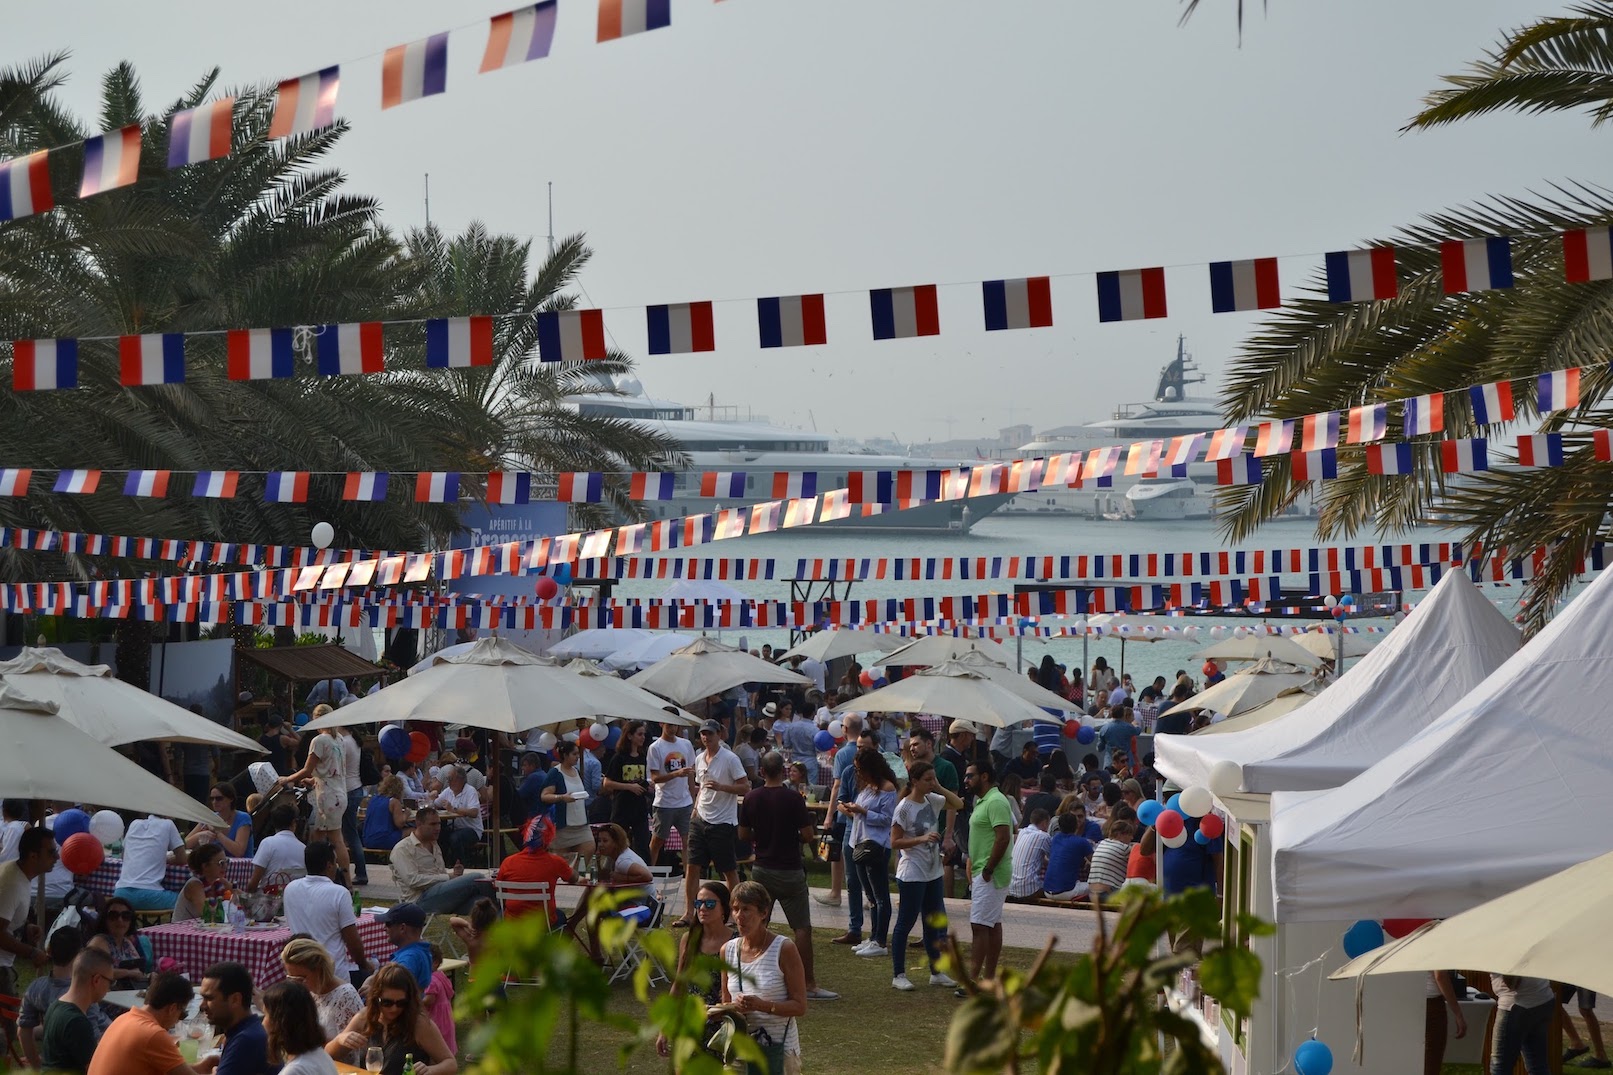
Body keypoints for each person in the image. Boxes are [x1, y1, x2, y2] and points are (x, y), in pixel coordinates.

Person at [737, 751, 838, 1001]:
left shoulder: (751, 797)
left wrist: (761, 836)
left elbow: (742, 835)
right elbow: (806, 835)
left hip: (762, 868)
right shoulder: (793, 798)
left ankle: (753, 979)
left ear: (761, 772)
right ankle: (808, 983)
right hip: (790, 870)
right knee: (801, 928)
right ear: (783, 771)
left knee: (757, 926)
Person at [889, 760, 963, 992]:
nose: (931, 783)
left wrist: (938, 787)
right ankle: (898, 974)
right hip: (912, 873)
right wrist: (921, 839)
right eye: (927, 779)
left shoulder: (933, 799)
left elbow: (958, 803)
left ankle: (936, 972)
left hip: (933, 872)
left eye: (933, 778)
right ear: (914, 781)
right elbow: (894, 841)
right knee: (905, 923)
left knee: (933, 923)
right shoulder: (904, 808)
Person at [721, 881, 807, 1075]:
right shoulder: (727, 950)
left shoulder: (784, 949)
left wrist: (761, 1005)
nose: (739, 916)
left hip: (777, 1052)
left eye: (746, 909)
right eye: (735, 909)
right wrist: (720, 1010)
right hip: (739, 1052)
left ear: (763, 913)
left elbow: (800, 1006)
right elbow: (726, 1001)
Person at [675, 720, 750, 928]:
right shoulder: (699, 758)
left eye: (710, 733)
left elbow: (745, 787)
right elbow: (702, 788)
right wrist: (695, 809)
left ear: (720, 734)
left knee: (728, 869)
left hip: (722, 821)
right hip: (700, 819)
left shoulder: (730, 758)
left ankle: (735, 913)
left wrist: (722, 787)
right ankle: (689, 912)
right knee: (692, 867)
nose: (706, 738)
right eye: (703, 734)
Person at [654, 880, 734, 1061]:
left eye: (710, 904)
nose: (703, 908)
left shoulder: (736, 942)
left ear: (724, 909)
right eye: (698, 903)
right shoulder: (689, 939)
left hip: (722, 1025)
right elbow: (679, 984)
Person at [328, 963, 456, 1075]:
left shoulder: (418, 1024)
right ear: (376, 998)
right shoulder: (365, 1017)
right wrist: (340, 1039)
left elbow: (450, 1064)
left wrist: (430, 1070)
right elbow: (327, 1056)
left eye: (401, 1003)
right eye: (387, 1002)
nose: (394, 1008)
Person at [272, 717, 351, 885]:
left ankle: (330, 878)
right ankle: (333, 877)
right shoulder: (339, 739)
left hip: (328, 796)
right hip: (339, 793)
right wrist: (315, 781)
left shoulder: (319, 740)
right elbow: (332, 771)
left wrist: (287, 779)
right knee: (321, 836)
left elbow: (307, 769)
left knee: (332, 839)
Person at [284, 841, 373, 988]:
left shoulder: (290, 889)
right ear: (329, 865)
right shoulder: (339, 893)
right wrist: (364, 964)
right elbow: (352, 940)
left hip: (300, 972)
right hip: (332, 973)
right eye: (336, 862)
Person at [840, 746, 899, 959]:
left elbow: (887, 819)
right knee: (871, 896)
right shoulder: (868, 787)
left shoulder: (888, 788)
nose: (858, 774)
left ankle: (881, 940)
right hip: (860, 842)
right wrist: (850, 810)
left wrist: (862, 811)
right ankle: (873, 936)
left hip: (876, 845)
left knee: (880, 895)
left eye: (860, 769)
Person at [20, 927, 105, 1066]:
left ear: (49, 951)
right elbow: (93, 1047)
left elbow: (23, 1031)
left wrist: (36, 1067)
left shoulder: (35, 988)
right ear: (80, 954)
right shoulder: (82, 994)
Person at [388, 807, 495, 915]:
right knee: (476, 878)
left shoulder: (434, 844)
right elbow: (413, 881)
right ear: (419, 824)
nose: (438, 828)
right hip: (419, 901)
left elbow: (439, 876)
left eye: (439, 824)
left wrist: (454, 876)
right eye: (433, 824)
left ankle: (505, 919)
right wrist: (449, 877)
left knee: (485, 903)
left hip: (440, 895)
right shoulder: (402, 849)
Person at [965, 759, 1014, 992]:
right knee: (991, 924)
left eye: (970, 775)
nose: (966, 780)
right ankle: (988, 978)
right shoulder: (982, 800)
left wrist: (988, 869)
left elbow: (1003, 836)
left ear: (984, 776)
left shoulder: (996, 801)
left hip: (991, 873)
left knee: (979, 925)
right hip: (983, 871)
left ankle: (973, 979)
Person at [88, 971, 197, 1075]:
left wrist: (201, 1066)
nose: (178, 1021)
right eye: (182, 1014)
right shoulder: (153, 1034)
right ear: (172, 1009)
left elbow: (175, 1069)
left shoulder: (123, 1019)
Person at [814, 714, 864, 922]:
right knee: (863, 854)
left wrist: (829, 814)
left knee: (838, 851)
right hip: (865, 809)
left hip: (845, 811)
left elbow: (836, 786)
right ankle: (867, 896)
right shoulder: (871, 750)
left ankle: (836, 892)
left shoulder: (843, 753)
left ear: (844, 729)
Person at [0, 827, 54, 997]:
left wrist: (26, 926)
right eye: (51, 852)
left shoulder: (18, 873)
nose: (57, 857)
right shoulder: (12, 884)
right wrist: (32, 953)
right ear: (33, 856)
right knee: (9, 1021)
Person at [42, 947, 114, 1074]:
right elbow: (95, 1070)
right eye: (110, 982)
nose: (109, 989)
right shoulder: (77, 1022)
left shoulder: (55, 1007)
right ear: (96, 980)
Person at [193, 961, 272, 1075]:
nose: (202, 1006)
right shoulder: (245, 1031)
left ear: (235, 999)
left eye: (209, 998)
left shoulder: (246, 1040)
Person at [280, 938, 364, 1043]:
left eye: (301, 978)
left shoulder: (345, 996)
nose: (297, 984)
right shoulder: (305, 992)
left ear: (319, 970)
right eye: (292, 978)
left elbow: (353, 1050)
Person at [493, 816, 573, 927]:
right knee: (561, 917)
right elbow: (573, 878)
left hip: (512, 922)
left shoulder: (508, 862)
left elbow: (499, 887)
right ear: (548, 839)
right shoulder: (555, 862)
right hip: (543, 923)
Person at [259, 979, 338, 1075]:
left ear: (281, 1022)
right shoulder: (321, 1055)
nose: (263, 1023)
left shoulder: (294, 1071)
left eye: (266, 1015)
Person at [646, 720, 697, 869]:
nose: (672, 728)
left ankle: (689, 878)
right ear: (662, 724)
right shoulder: (655, 747)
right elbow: (655, 778)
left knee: (688, 841)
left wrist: (693, 800)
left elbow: (690, 774)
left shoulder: (686, 744)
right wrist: (676, 774)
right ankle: (649, 874)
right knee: (657, 841)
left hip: (685, 801)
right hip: (664, 802)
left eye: (675, 724)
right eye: (669, 725)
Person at [113, 814, 186, 909]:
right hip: (149, 895)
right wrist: (166, 859)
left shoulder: (134, 824)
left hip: (121, 893)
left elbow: (124, 856)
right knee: (186, 900)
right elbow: (182, 859)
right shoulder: (168, 824)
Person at [603, 721, 653, 858]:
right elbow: (607, 783)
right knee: (618, 842)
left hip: (640, 807)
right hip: (622, 806)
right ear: (630, 736)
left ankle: (644, 871)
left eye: (644, 734)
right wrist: (629, 787)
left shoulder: (643, 757)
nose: (642, 737)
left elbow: (642, 779)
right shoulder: (619, 757)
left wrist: (648, 785)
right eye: (639, 734)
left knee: (642, 843)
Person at [537, 743, 594, 862]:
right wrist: (561, 797)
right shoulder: (555, 773)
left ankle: (577, 875)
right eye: (574, 754)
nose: (577, 757)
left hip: (581, 823)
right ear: (565, 755)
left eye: (578, 753)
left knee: (589, 847)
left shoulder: (577, 771)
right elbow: (544, 796)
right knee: (562, 861)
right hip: (563, 827)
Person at [1487, 974, 1554, 1075]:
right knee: (1538, 1066)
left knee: (1499, 1066)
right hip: (1543, 998)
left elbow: (1512, 982)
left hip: (1516, 1005)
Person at [87, 896, 153, 986]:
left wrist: (150, 976)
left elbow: (138, 971)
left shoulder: (126, 942)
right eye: (113, 916)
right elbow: (99, 972)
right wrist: (128, 973)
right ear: (105, 920)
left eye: (126, 916)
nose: (120, 920)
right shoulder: (99, 942)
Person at [248, 805, 307, 892]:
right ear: (294, 823)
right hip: (295, 898)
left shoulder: (268, 843)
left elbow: (254, 881)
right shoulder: (304, 848)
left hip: (268, 899)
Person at [185, 783, 254, 857]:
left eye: (219, 798)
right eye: (212, 799)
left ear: (231, 799)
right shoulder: (210, 818)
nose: (214, 802)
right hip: (216, 865)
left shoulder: (243, 818)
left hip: (241, 866)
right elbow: (184, 844)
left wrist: (217, 833)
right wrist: (199, 835)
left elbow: (239, 852)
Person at [1042, 812, 1096, 901]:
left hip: (1047, 890)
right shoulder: (1081, 842)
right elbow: (1095, 862)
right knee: (1096, 887)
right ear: (1076, 825)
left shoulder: (1055, 838)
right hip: (1066, 892)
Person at [174, 843, 229, 923]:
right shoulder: (194, 885)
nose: (225, 866)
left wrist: (232, 888)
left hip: (203, 929)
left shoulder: (218, 883)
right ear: (205, 866)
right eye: (221, 863)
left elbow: (244, 904)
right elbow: (206, 914)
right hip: (181, 931)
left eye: (226, 862)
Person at [1559, 982, 1609, 1069]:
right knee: (1554, 1001)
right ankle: (1576, 1044)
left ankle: (1601, 1055)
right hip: (1569, 970)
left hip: (1587, 971)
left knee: (1585, 1009)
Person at [1007, 809, 1053, 901]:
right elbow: (1054, 858)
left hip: (1011, 888)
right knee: (1055, 889)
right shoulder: (1043, 836)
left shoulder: (1022, 832)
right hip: (1029, 890)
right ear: (1044, 823)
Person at [1086, 818, 1135, 901]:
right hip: (1107, 893)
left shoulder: (1102, 843)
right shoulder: (1124, 848)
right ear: (1120, 834)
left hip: (1092, 892)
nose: (1132, 837)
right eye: (1129, 834)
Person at [422, 944, 456, 1057]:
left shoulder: (431, 979)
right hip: (446, 1016)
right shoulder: (441, 975)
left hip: (436, 1017)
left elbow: (430, 1000)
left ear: (435, 963)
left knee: (436, 1042)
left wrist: (416, 1001)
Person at [362, 775, 410, 852]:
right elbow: (400, 823)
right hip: (383, 839)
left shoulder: (373, 799)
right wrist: (406, 814)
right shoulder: (394, 801)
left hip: (367, 839)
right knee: (412, 831)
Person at [448, 898, 499, 967]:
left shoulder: (471, 939)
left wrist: (467, 924)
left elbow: (452, 920)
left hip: (474, 975)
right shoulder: (496, 940)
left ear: (473, 919)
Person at [1096, 707, 1139, 771]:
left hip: (1110, 762)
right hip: (1126, 762)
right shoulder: (1128, 727)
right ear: (1122, 715)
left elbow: (1099, 747)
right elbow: (1137, 731)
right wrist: (1136, 725)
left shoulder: (1104, 728)